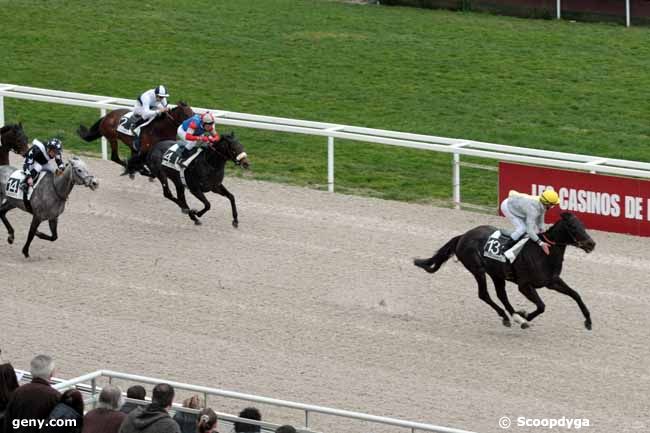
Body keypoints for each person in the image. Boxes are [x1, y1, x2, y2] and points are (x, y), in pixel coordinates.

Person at [3, 355, 61, 433]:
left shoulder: (18, 392)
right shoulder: (56, 396)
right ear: (51, 373)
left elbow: (8, 422)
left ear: (31, 372)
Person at [500, 189, 560, 255]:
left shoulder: (542, 204)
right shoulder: (533, 210)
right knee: (522, 229)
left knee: (534, 230)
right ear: (547, 203)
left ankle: (515, 236)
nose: (552, 206)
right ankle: (504, 248)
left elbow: (540, 223)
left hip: (519, 207)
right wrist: (540, 243)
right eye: (552, 204)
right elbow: (529, 230)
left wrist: (543, 233)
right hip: (508, 207)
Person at [131, 85, 170, 150]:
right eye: (160, 97)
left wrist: (166, 109)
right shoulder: (146, 97)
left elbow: (165, 107)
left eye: (163, 97)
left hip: (153, 107)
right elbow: (146, 113)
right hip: (140, 108)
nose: (162, 99)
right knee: (151, 115)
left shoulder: (161, 97)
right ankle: (135, 128)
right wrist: (158, 111)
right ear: (156, 94)